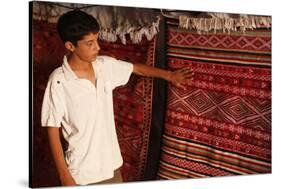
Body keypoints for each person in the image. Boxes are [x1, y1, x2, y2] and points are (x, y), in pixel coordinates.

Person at [41, 10, 194, 186]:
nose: (97, 47)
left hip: (112, 167)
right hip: (81, 174)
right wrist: (65, 177)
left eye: (96, 40)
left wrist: (170, 76)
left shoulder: (104, 66)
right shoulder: (59, 81)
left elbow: (136, 68)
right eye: (89, 43)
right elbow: (52, 129)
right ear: (70, 46)